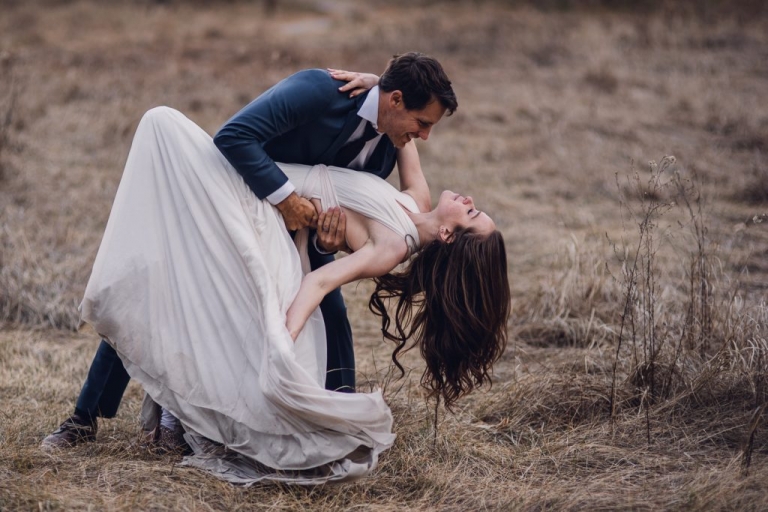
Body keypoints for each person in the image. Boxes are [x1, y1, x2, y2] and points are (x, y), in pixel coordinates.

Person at [38, 53, 487, 457]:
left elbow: (344, 212)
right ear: (394, 100)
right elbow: (233, 136)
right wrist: (287, 200)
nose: (424, 137)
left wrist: (328, 240)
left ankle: (333, 428)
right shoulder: (321, 90)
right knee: (155, 285)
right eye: (422, 123)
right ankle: (84, 418)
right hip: (235, 202)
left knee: (331, 322)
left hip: (294, 241)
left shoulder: (391, 146)